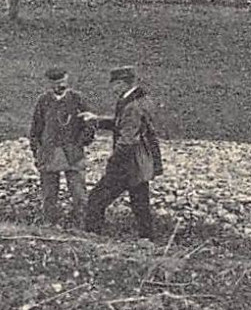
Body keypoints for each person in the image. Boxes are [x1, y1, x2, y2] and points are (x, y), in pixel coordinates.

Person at [82, 65, 162, 240]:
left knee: (97, 198)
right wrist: (97, 119)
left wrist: (113, 162)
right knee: (140, 203)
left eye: (114, 84)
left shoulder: (131, 106)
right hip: (140, 162)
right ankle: (147, 240)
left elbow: (127, 139)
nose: (112, 88)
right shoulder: (140, 99)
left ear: (121, 83)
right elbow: (123, 124)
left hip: (127, 162)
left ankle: (91, 238)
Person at [27, 67, 91, 225]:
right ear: (49, 83)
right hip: (49, 153)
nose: (60, 85)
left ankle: (82, 224)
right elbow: (35, 129)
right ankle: (49, 224)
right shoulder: (43, 101)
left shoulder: (77, 99)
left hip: (73, 153)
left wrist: (82, 141)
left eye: (63, 81)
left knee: (78, 192)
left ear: (67, 80)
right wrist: (37, 152)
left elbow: (90, 123)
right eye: (55, 82)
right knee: (49, 193)